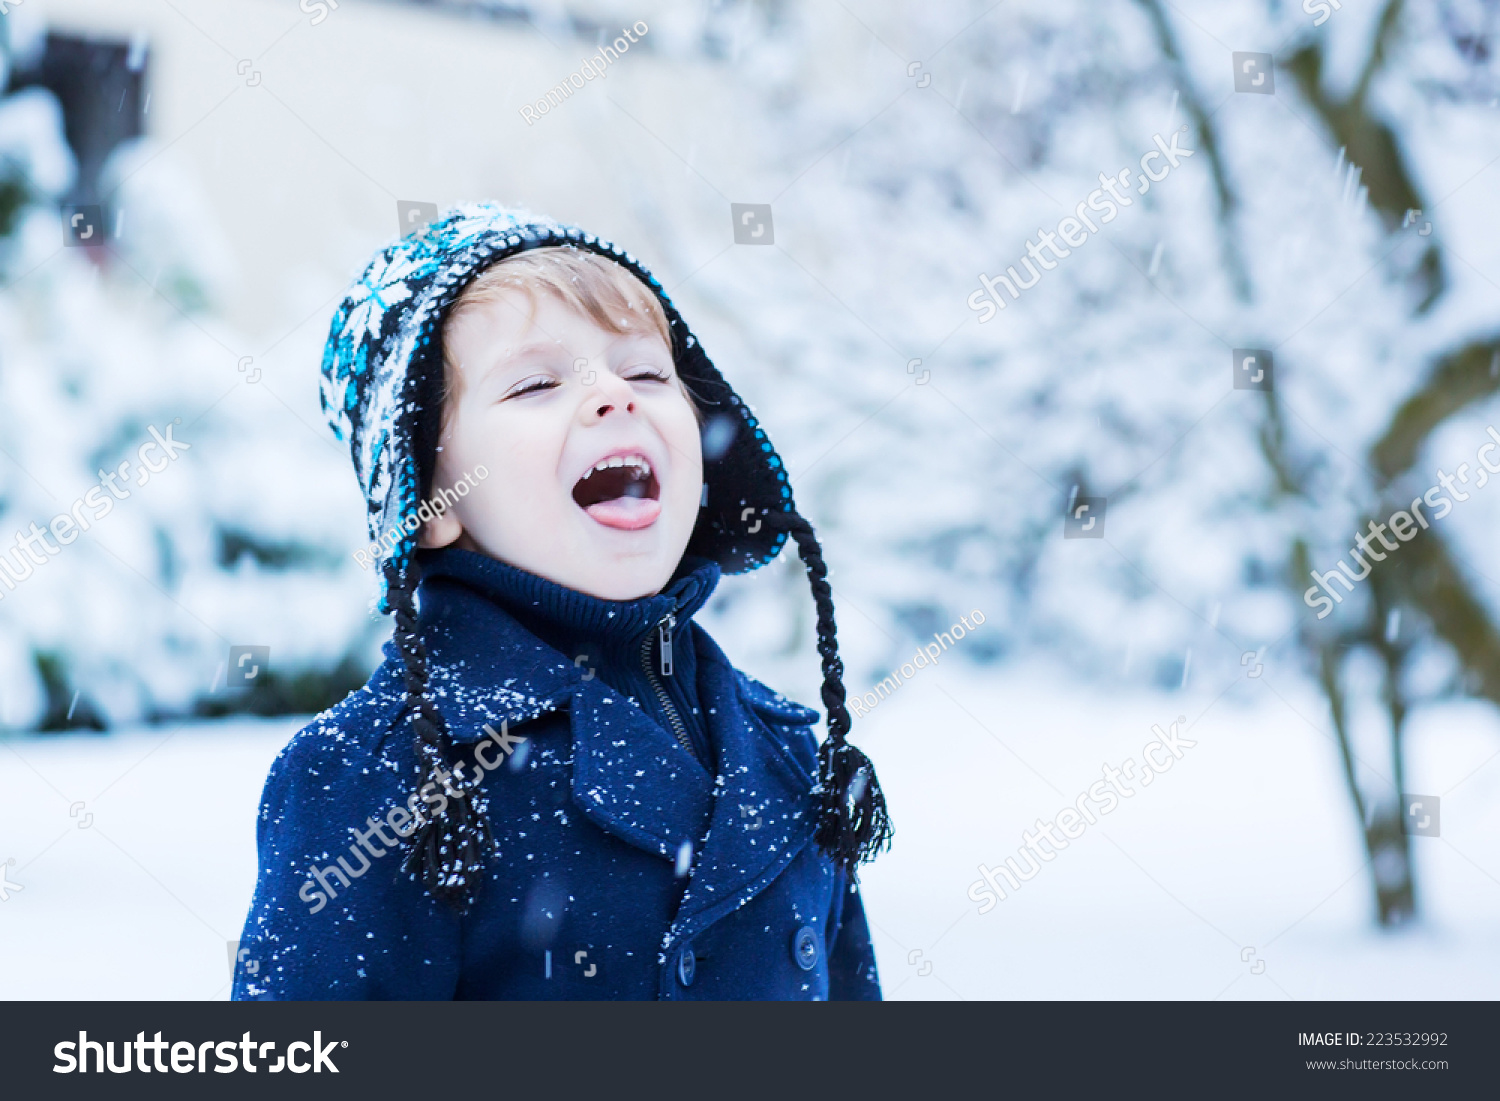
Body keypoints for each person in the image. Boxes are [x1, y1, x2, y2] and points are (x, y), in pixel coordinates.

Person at [232, 205, 890, 1000]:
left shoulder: (783, 751)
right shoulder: (385, 778)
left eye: (646, 373)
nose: (614, 397)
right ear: (430, 497)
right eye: (538, 383)